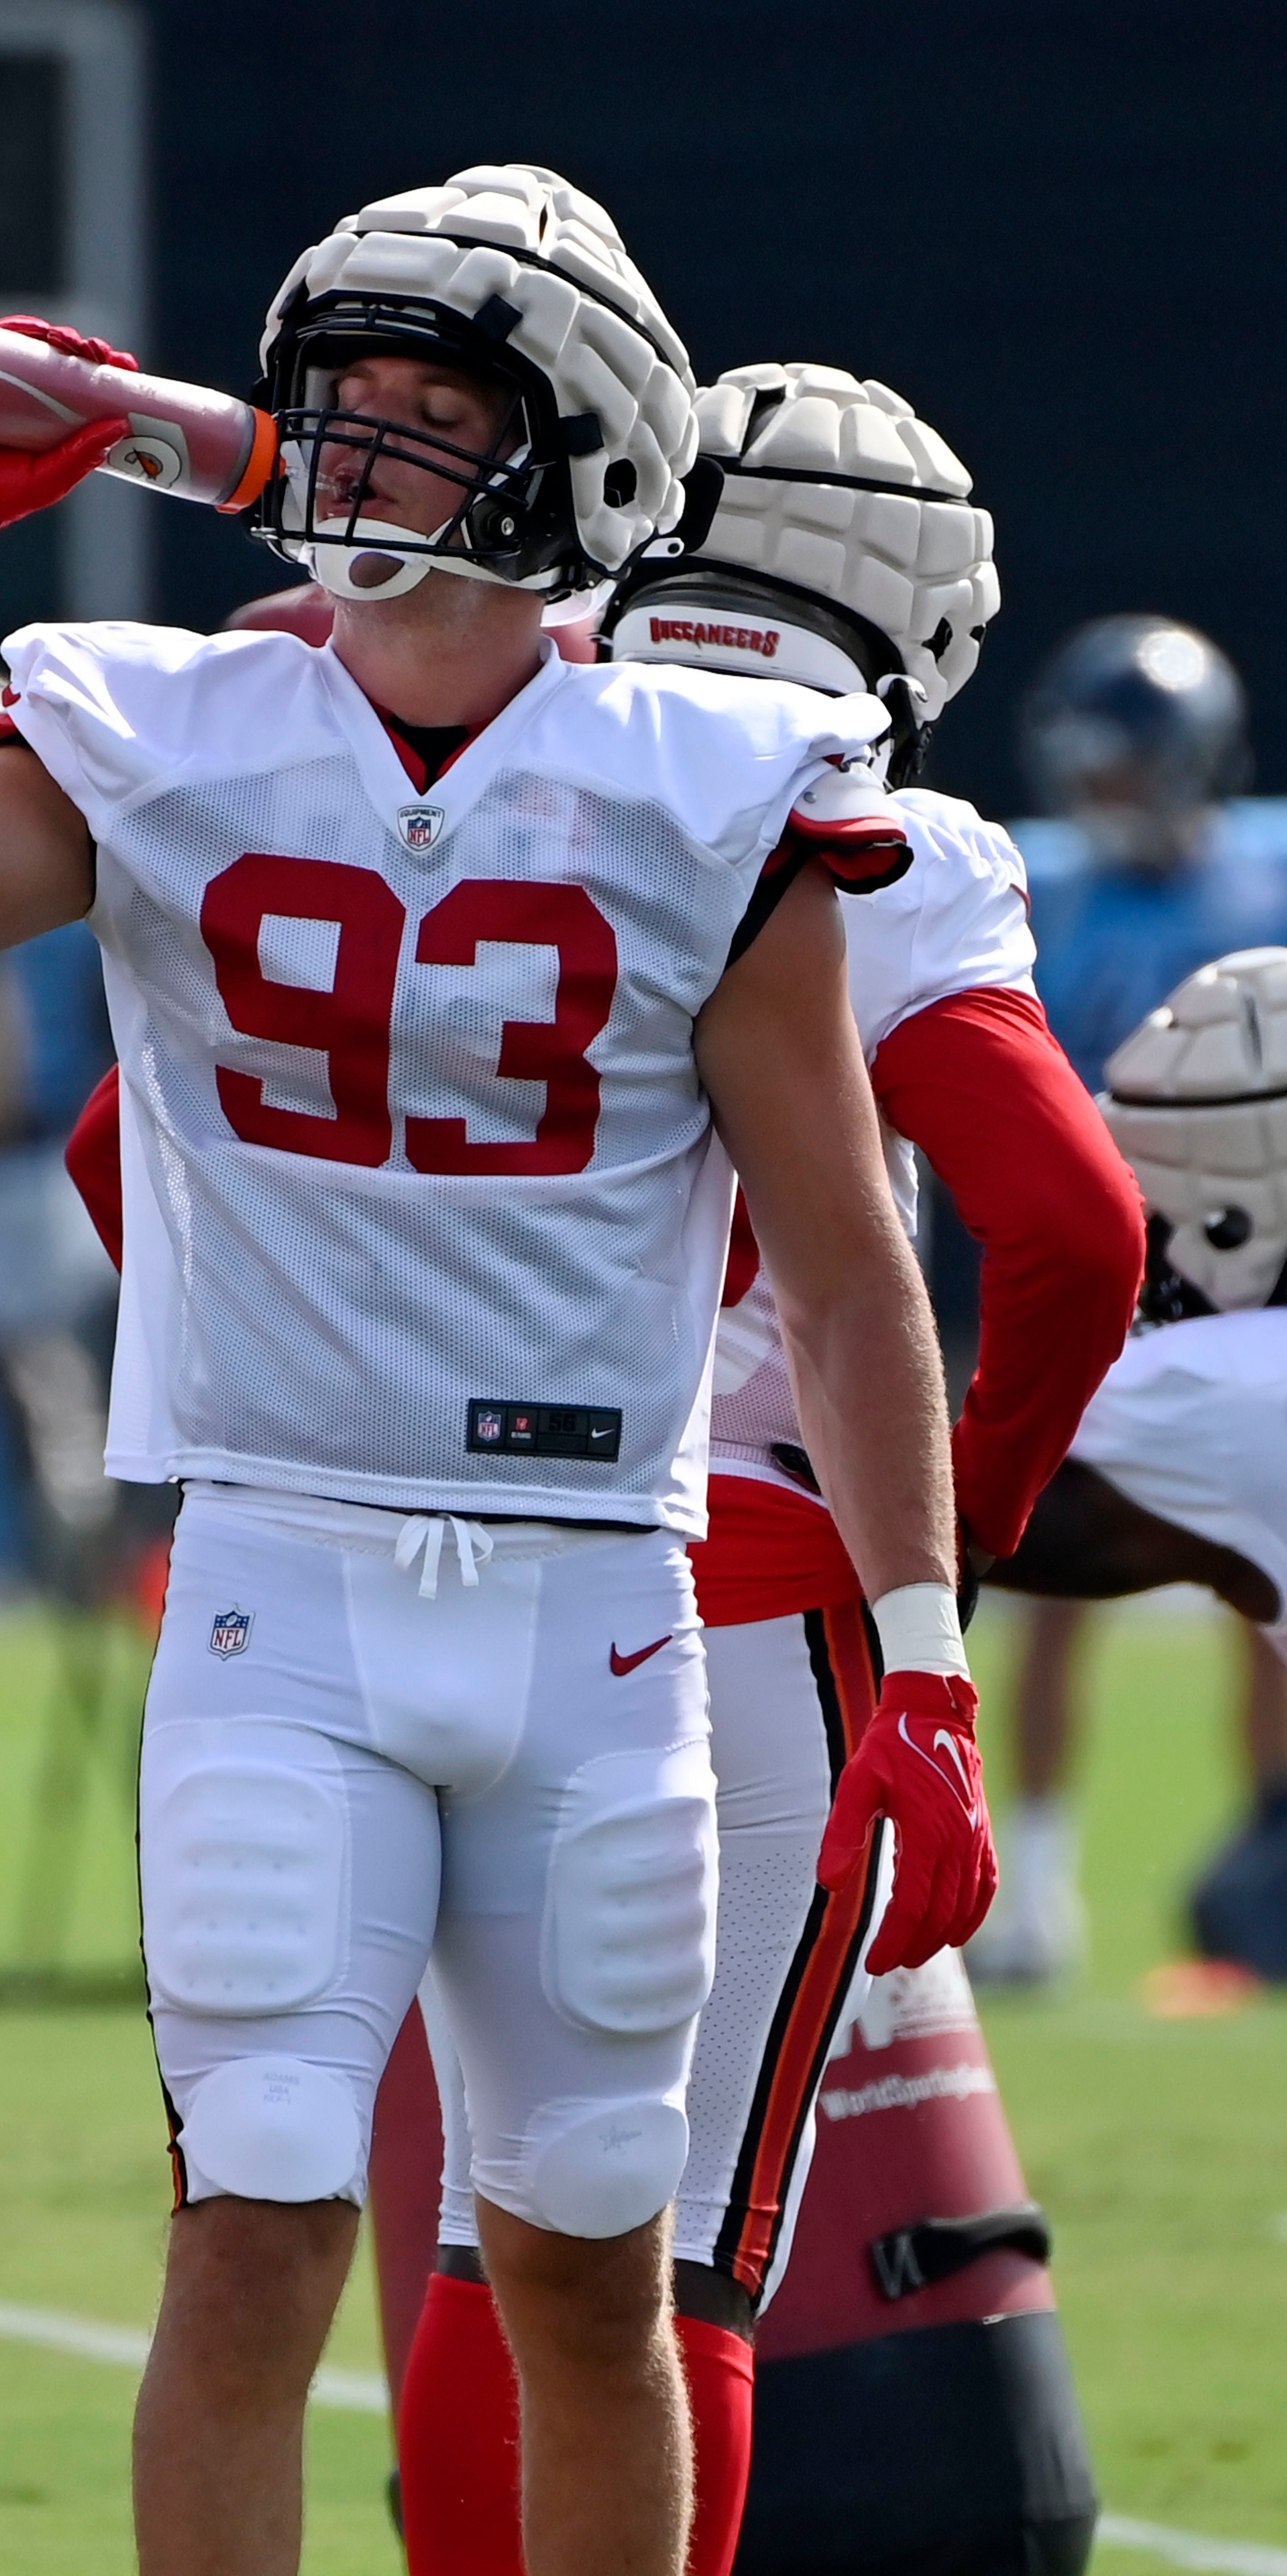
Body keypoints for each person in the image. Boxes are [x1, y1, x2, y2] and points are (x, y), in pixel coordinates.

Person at [0, 166, 993, 2576]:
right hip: (279, 1585)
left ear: (580, 456)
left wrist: (920, 1661)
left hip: (608, 1599)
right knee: (256, 2230)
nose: (358, 448)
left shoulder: (718, 790)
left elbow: (844, 1260)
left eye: (427, 409)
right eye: (342, 400)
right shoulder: (161, 731)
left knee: (593, 2271)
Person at [386, 365, 1141, 2576]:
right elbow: (1076, 1224)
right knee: (669, 2252)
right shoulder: (858, 818)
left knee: (463, 2231)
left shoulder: (467, 742)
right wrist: (956, 1525)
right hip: (724, 1605)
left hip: (388, 1573)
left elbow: (104, 1150)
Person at [982, 617, 1287, 1980]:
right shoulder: (1026, 883)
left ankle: (1267, 1855)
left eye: (1131, 765)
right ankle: (1033, 1884)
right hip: (1083, 1274)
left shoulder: (1263, 875)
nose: (1107, 792)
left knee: (1259, 1581)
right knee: (1043, 1581)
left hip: (1244, 1277)